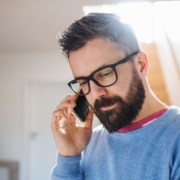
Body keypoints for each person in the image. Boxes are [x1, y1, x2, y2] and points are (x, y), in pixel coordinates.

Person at [51, 13, 180, 180]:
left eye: (104, 74)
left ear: (141, 65)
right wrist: (69, 157)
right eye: (83, 82)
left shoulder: (175, 137)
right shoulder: (89, 142)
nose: (96, 93)